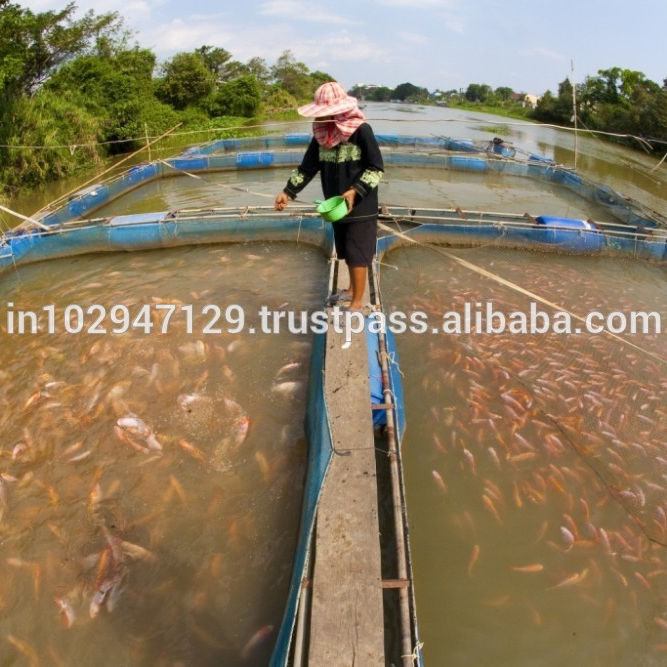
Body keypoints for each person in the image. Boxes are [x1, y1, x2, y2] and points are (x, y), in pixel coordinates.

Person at [274, 81, 383, 311]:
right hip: (336, 205)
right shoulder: (321, 136)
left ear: (338, 113)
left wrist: (355, 191)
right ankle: (351, 290)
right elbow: (307, 168)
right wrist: (288, 191)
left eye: (324, 113)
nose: (319, 118)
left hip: (360, 206)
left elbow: (376, 168)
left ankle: (356, 304)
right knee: (347, 250)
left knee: (357, 253)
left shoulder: (361, 131)